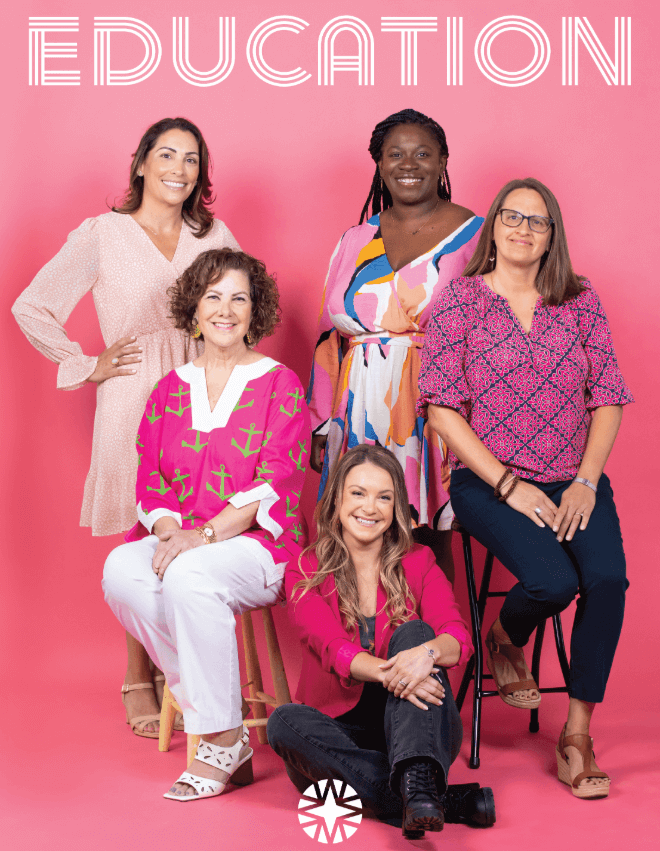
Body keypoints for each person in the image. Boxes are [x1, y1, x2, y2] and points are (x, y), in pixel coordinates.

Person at [12, 117, 240, 738]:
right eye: (167, 155)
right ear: (140, 163)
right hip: (134, 391)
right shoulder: (103, 234)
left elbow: (245, 300)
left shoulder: (212, 233)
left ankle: (178, 668)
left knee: (195, 530)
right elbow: (31, 305)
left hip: (203, 387)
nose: (179, 169)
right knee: (145, 534)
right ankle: (139, 675)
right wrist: (86, 365)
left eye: (192, 159)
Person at [418, 178, 633, 799]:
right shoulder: (458, 301)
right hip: (488, 481)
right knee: (553, 580)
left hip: (572, 479)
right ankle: (505, 637)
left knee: (606, 580)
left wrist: (587, 482)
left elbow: (609, 397)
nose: (522, 229)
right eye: (511, 217)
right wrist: (508, 484)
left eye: (536, 222)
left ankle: (577, 736)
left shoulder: (579, 299)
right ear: (495, 229)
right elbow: (441, 410)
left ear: (551, 237)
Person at [103, 247, 310, 800]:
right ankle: (224, 725)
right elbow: (151, 476)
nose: (225, 309)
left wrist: (204, 536)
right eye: (213, 296)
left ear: (255, 310)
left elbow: (277, 480)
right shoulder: (169, 390)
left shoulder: (280, 384)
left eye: (239, 297)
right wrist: (173, 532)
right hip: (186, 538)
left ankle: (217, 743)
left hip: (258, 545)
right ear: (193, 308)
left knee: (187, 577)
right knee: (122, 568)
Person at [268, 445, 495, 838]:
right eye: (358, 493)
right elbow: (333, 649)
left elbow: (458, 638)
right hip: (341, 742)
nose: (369, 507)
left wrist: (424, 655)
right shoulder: (306, 568)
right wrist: (398, 673)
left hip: (417, 727)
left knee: (417, 634)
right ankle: (429, 797)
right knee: (284, 721)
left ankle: (414, 777)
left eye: (383, 497)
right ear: (337, 499)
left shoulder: (419, 560)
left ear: (395, 509)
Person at [307, 109, 484, 583]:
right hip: (357, 406)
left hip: (437, 406)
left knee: (427, 535)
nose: (410, 164)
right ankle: (366, 647)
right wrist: (322, 422)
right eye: (396, 154)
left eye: (423, 153)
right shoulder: (355, 238)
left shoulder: (477, 235)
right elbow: (331, 334)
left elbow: (498, 329)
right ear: (380, 165)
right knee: (360, 534)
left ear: (443, 160)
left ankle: (435, 646)